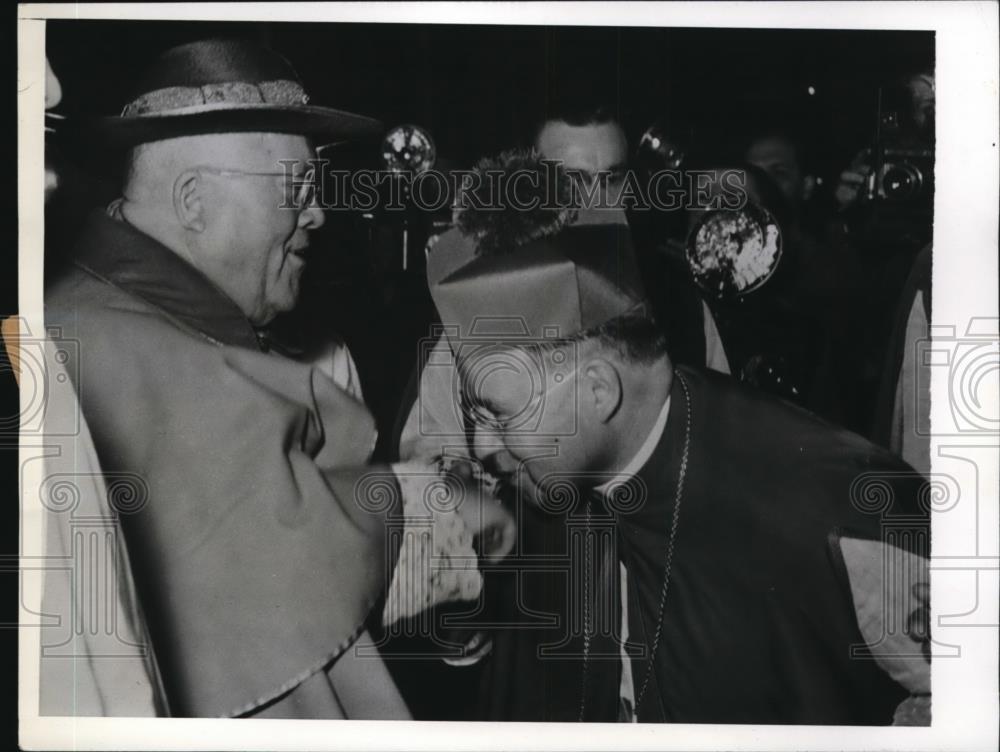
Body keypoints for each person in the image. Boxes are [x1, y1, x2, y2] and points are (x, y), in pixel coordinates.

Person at [44, 38, 513, 719]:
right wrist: (430, 506)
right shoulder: (94, 341)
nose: (318, 214)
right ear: (194, 200)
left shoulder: (143, 314)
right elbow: (275, 539)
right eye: (297, 189)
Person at [423, 184, 932, 724]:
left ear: (599, 391)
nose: (483, 447)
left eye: (499, 415)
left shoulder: (836, 508)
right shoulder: (550, 490)